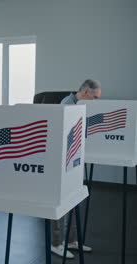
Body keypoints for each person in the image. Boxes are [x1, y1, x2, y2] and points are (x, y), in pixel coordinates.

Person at [52, 79, 100, 258]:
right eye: (95, 97)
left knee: (74, 200)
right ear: (86, 91)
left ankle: (71, 240)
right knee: (60, 202)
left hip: (74, 161)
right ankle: (56, 243)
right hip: (61, 162)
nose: (96, 101)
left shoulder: (80, 106)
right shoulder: (67, 105)